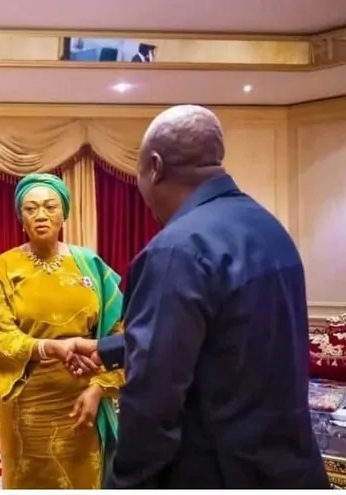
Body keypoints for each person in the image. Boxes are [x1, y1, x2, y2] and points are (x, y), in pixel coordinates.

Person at [69, 105, 329, 489]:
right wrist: (108, 349)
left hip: (216, 472)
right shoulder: (268, 227)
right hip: (289, 467)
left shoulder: (176, 250)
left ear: (154, 167)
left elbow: (153, 401)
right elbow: (228, 335)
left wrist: (125, 483)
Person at [0, 173, 124, 489]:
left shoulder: (90, 264)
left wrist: (98, 389)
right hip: (27, 403)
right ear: (21, 218)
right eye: (31, 209)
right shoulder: (4, 267)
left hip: (83, 398)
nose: (41, 215)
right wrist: (48, 348)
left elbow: (118, 331)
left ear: (64, 214)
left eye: (50, 206)